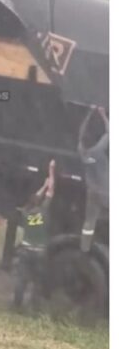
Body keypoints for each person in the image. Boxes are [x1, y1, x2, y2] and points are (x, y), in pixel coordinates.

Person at [12, 159, 56, 311]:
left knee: (21, 280)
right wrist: (51, 172)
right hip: (39, 252)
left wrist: (42, 187)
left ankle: (16, 306)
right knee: (37, 281)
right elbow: (51, 192)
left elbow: (35, 198)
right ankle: (34, 308)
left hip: (25, 251)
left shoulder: (25, 213)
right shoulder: (43, 211)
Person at [78, 105, 109, 252]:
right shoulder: (98, 151)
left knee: (89, 221)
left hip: (92, 192)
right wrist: (102, 115)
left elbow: (81, 133)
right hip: (106, 192)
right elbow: (110, 132)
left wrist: (89, 113)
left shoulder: (82, 152)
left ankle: (85, 248)